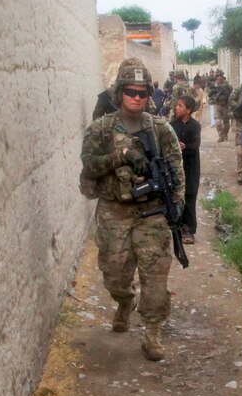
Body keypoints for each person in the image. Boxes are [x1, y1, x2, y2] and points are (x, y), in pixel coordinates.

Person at [79, 58, 185, 362]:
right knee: (113, 275)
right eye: (131, 92)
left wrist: (176, 207)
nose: (137, 97)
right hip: (114, 211)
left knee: (155, 275)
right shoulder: (100, 129)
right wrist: (122, 155)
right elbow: (89, 166)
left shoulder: (162, 129)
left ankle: (152, 331)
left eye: (142, 92)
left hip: (152, 213)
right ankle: (124, 301)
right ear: (119, 92)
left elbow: (177, 170)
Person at [170, 95, 201, 245]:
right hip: (175, 167)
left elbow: (194, 146)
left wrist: (183, 146)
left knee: (189, 196)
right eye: (177, 105)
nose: (176, 108)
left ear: (188, 110)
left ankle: (188, 230)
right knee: (175, 196)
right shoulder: (171, 125)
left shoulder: (195, 126)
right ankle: (176, 228)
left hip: (190, 167)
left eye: (180, 105)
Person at [212, 70, 233, 143]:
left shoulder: (227, 85)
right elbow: (210, 93)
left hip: (225, 106)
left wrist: (230, 102)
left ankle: (225, 133)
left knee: (226, 123)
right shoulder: (214, 85)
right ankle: (221, 136)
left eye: (221, 75)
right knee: (217, 122)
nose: (219, 77)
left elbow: (232, 94)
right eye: (218, 76)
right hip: (217, 105)